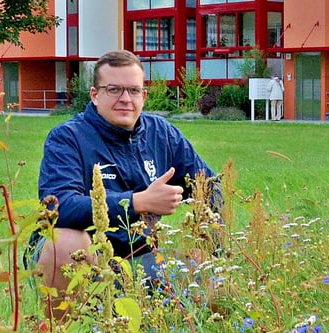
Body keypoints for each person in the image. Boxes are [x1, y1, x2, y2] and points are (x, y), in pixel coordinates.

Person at [32, 50, 221, 318]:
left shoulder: (161, 133)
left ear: (144, 96)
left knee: (215, 276)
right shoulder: (67, 137)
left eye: (133, 90)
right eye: (114, 89)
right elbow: (59, 207)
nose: (125, 99)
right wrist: (138, 202)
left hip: (140, 256)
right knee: (65, 241)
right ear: (94, 95)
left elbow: (209, 185)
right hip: (82, 258)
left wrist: (212, 244)